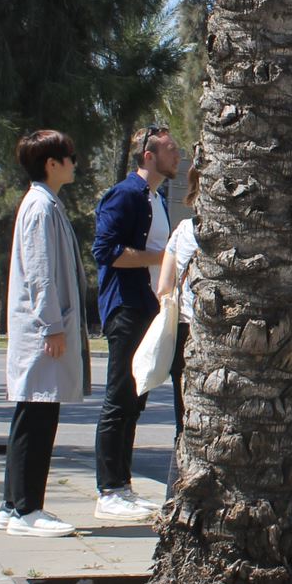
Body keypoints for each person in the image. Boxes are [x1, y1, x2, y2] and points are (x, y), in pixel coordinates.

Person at [0, 129, 90, 538]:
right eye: (69, 156)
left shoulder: (45, 204)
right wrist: (52, 325)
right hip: (43, 333)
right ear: (51, 164)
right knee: (37, 416)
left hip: (44, 330)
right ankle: (26, 509)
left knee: (32, 414)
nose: (74, 162)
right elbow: (40, 274)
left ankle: (11, 504)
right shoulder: (39, 207)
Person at [90, 124, 179, 521]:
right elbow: (105, 251)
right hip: (125, 309)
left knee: (134, 400)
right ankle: (109, 490)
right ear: (148, 155)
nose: (176, 155)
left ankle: (121, 488)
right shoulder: (125, 195)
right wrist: (160, 257)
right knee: (119, 399)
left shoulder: (155, 198)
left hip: (146, 308)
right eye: (169, 149)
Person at [156, 161, 200, 493]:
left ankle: (174, 495)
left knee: (183, 424)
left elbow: (163, 287)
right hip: (213, 337)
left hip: (182, 333)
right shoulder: (221, 232)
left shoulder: (183, 230)